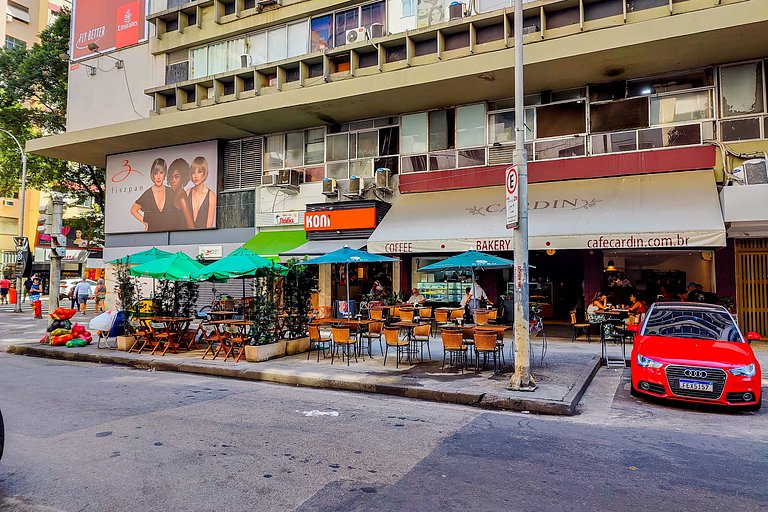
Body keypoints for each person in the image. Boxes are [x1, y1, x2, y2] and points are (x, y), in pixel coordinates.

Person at [131, 158, 173, 232]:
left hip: (169, 235)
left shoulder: (171, 192)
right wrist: (145, 223)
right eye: (155, 173)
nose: (158, 177)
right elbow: (133, 210)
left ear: (165, 174)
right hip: (152, 235)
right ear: (152, 175)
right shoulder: (147, 194)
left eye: (161, 172)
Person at [187, 156, 216, 229]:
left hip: (203, 238)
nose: (196, 176)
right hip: (186, 237)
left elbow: (209, 227)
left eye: (199, 172)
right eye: (193, 172)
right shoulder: (187, 192)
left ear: (204, 173)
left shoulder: (211, 196)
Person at [166, 158, 195, 230]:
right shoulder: (174, 194)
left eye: (176, 177)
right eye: (171, 177)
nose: (173, 180)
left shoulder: (181, 197)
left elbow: (191, 226)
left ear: (183, 177)